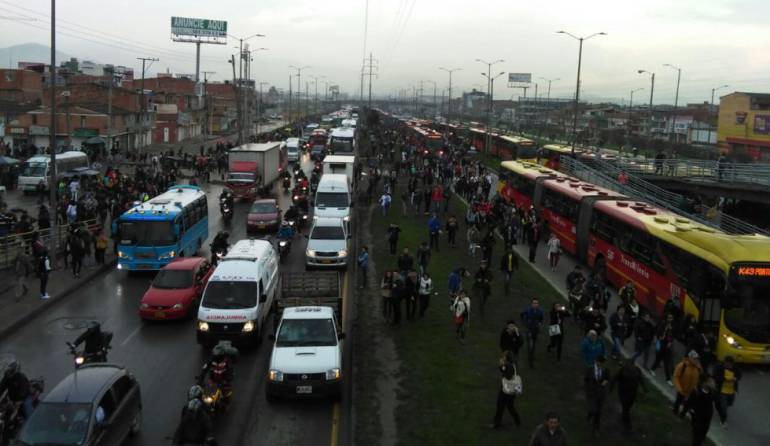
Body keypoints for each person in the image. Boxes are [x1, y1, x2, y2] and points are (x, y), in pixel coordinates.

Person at [610, 358, 647, 433]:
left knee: (626, 408)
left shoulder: (628, 370)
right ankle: (627, 425)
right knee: (626, 408)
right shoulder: (630, 370)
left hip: (628, 393)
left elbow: (614, 378)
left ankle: (626, 422)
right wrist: (645, 389)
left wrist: (645, 389)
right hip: (627, 393)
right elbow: (615, 378)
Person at [683, 377, 718, 446]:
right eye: (711, 382)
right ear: (705, 383)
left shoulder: (712, 392)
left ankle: (700, 441)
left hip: (707, 416)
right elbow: (689, 402)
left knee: (704, 431)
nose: (713, 384)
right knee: (697, 432)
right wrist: (689, 411)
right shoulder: (697, 392)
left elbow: (716, 402)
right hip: (697, 416)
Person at [491, 351, 522, 429]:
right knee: (508, 406)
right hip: (508, 390)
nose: (502, 357)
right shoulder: (511, 365)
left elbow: (507, 375)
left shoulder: (509, 366)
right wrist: (502, 366)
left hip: (506, 390)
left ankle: (497, 423)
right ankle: (517, 422)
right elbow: (504, 371)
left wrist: (501, 365)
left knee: (501, 405)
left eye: (504, 356)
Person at [584, 355, 610, 437]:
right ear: (596, 361)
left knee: (598, 412)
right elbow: (586, 380)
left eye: (602, 363)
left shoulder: (606, 370)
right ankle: (590, 414)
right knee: (593, 410)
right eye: (599, 362)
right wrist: (588, 389)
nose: (601, 364)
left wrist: (605, 382)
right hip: (591, 394)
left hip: (601, 395)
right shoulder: (590, 369)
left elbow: (608, 378)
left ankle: (596, 429)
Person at [672, 350, 703, 416]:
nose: (696, 360)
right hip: (682, 389)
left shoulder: (697, 368)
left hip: (691, 391)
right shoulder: (682, 366)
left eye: (697, 359)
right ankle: (675, 412)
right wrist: (679, 389)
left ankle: (682, 415)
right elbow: (676, 377)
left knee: (688, 404)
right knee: (678, 402)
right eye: (694, 359)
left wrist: (696, 388)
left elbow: (698, 378)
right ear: (690, 358)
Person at [713, 355, 741, 427]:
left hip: (731, 391)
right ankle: (723, 420)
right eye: (726, 364)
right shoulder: (720, 368)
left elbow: (739, 375)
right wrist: (726, 379)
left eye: (729, 364)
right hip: (722, 391)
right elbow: (715, 376)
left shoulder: (735, 369)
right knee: (724, 407)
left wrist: (736, 378)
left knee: (730, 403)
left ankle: (721, 409)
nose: (728, 366)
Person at [649, 313, 675, 385]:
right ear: (666, 318)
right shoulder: (663, 324)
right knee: (658, 359)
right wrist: (658, 338)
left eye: (671, 318)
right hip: (662, 343)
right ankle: (652, 369)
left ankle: (668, 379)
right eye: (669, 318)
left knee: (666, 362)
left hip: (667, 345)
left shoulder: (672, 326)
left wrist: (670, 342)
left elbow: (673, 336)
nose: (670, 319)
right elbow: (658, 332)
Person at [520, 298, 544, 369]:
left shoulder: (540, 311)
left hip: (535, 330)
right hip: (529, 329)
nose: (535, 304)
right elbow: (522, 314)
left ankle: (532, 355)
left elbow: (541, 319)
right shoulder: (528, 310)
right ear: (531, 304)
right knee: (530, 344)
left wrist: (540, 323)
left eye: (536, 303)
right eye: (534, 303)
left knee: (533, 344)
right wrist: (524, 322)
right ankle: (530, 360)